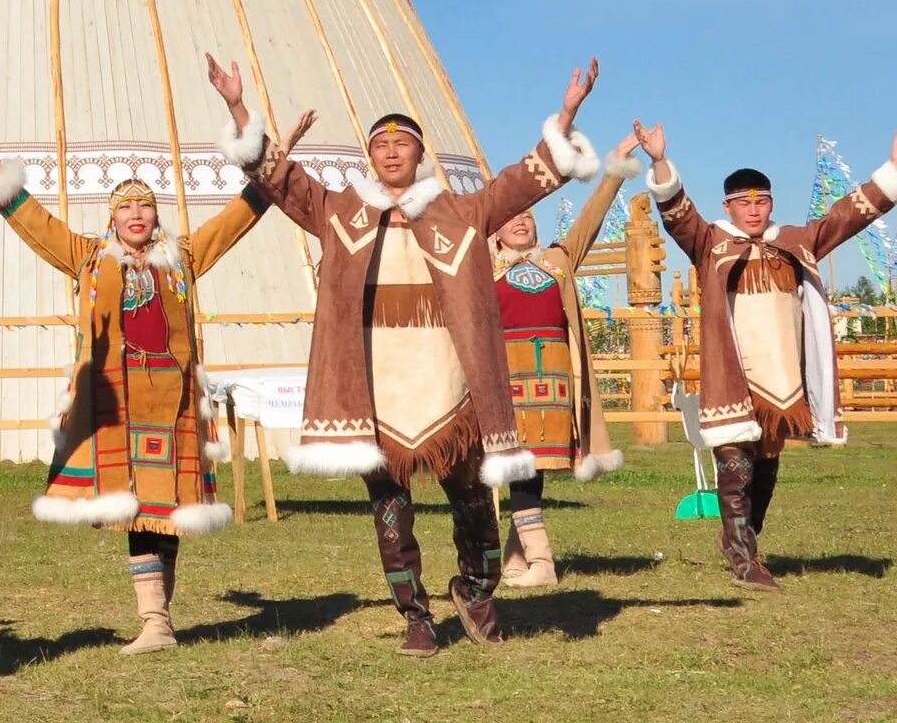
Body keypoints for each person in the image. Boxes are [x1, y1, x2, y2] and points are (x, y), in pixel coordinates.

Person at [257, 59, 602, 656]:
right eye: (381, 144)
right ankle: (416, 614)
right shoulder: (340, 211)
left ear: (420, 154)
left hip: (448, 378)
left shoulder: (461, 212)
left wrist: (567, 114)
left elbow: (526, 180)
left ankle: (475, 589)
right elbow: (281, 182)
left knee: (472, 499)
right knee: (390, 506)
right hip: (375, 380)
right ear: (369, 156)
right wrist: (241, 112)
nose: (391, 153)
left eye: (403, 144)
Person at [0, 61, 307, 653]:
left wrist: (274, 153)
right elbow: (33, 221)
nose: (136, 214)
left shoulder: (183, 255)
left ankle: (161, 621)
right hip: (119, 399)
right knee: (135, 511)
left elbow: (242, 214)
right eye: (125, 207)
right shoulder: (88, 258)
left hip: (174, 399)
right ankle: (153, 620)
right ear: (111, 217)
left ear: (156, 215)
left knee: (169, 510)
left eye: (145, 206)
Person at [636, 121, 896, 589]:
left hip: (783, 375)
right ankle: (743, 559)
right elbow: (677, 214)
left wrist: (891, 172)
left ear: (771, 203)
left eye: (761, 202)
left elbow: (845, 218)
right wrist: (659, 161)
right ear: (727, 207)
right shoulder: (710, 242)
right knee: (734, 463)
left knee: (767, 464)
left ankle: (745, 538)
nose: (753, 211)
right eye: (743, 203)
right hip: (734, 372)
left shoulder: (795, 241)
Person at [490, 134, 641, 588]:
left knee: (530, 470)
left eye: (527, 214)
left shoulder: (559, 259)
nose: (520, 220)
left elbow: (592, 218)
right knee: (521, 469)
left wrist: (616, 166)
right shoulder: (481, 265)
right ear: (494, 228)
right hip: (507, 378)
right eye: (510, 216)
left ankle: (542, 564)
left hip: (555, 379)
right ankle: (519, 562)